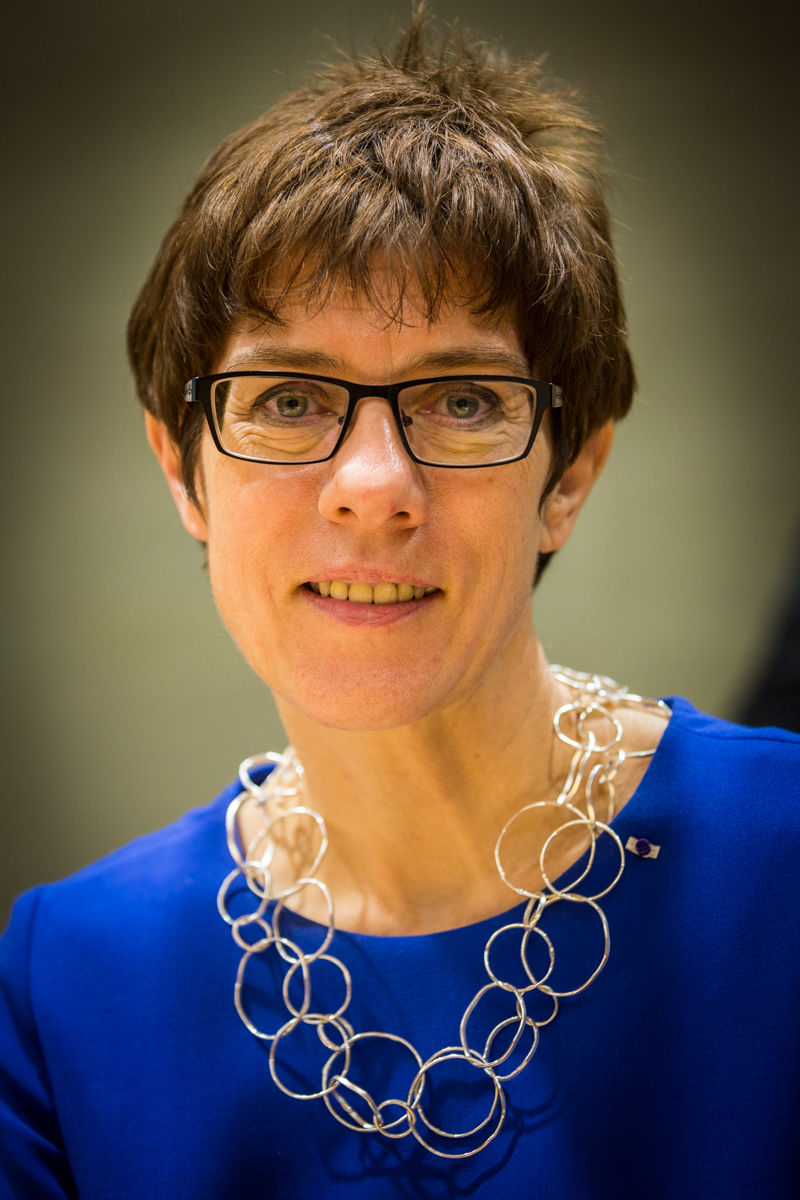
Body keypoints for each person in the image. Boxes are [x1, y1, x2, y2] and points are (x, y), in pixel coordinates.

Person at [1, 10, 798, 1197]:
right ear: (181, 468)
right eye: (285, 399)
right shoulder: (67, 979)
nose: (373, 486)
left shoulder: (783, 856)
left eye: (462, 400)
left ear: (567, 476)